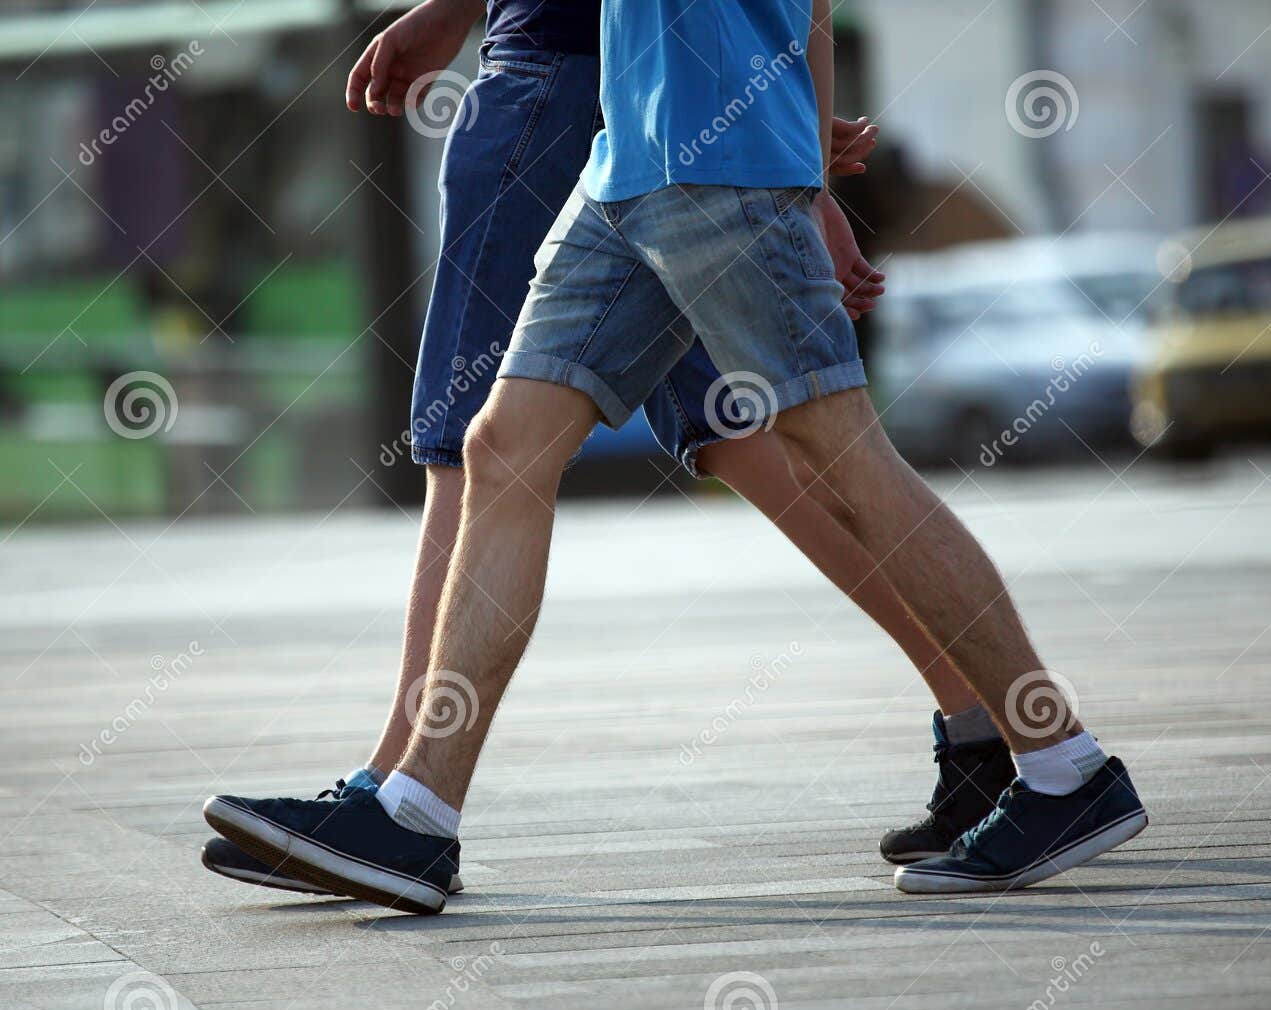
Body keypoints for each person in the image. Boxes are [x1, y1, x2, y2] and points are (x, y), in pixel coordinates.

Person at [205, 0, 1142, 912]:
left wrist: (801, 177)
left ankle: (1062, 763)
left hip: (718, 170)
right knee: (503, 446)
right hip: (626, 162)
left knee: (840, 449)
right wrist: (812, 166)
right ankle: (417, 811)